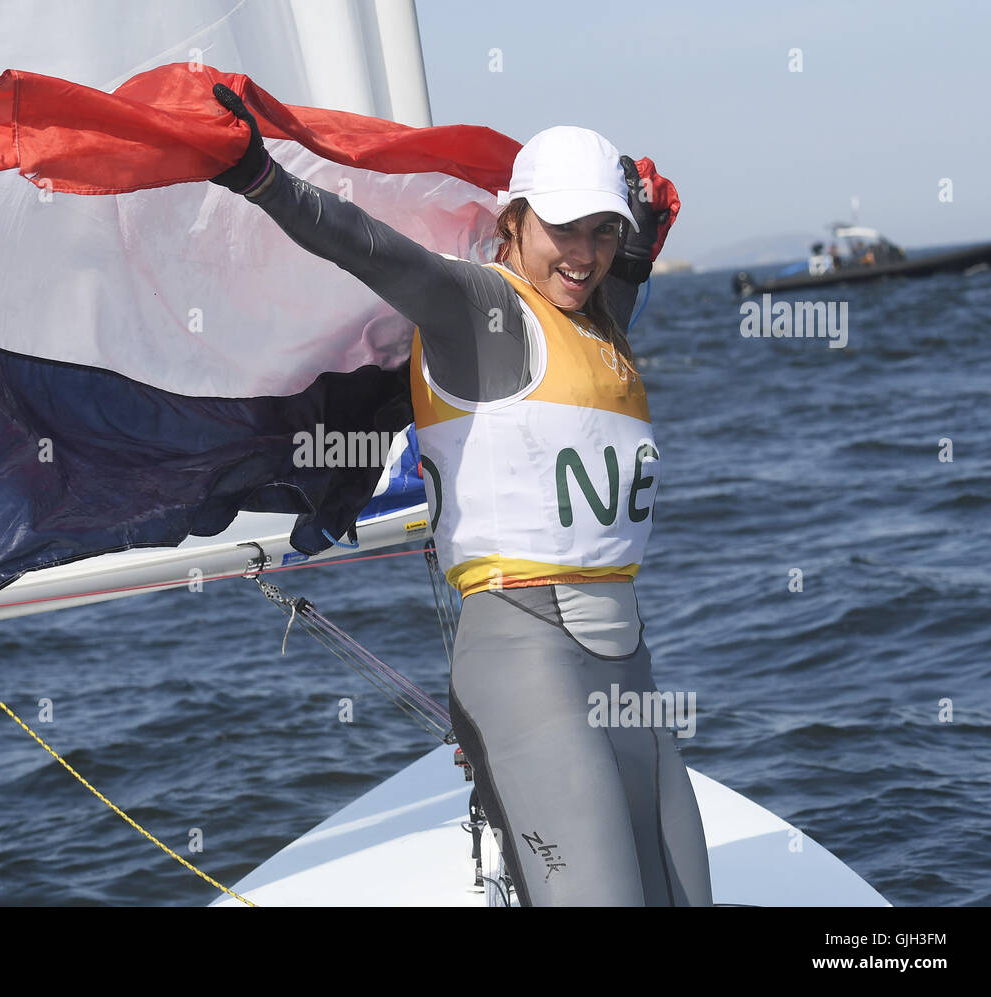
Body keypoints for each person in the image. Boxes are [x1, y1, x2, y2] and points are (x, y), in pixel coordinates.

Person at [209, 84, 712, 906]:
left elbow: (613, 285)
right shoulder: (482, 312)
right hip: (525, 661)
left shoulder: (595, 319)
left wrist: (640, 237)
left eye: (601, 231)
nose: (583, 254)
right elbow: (370, 248)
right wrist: (258, 176)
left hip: (628, 668)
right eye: (562, 229)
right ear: (511, 220)